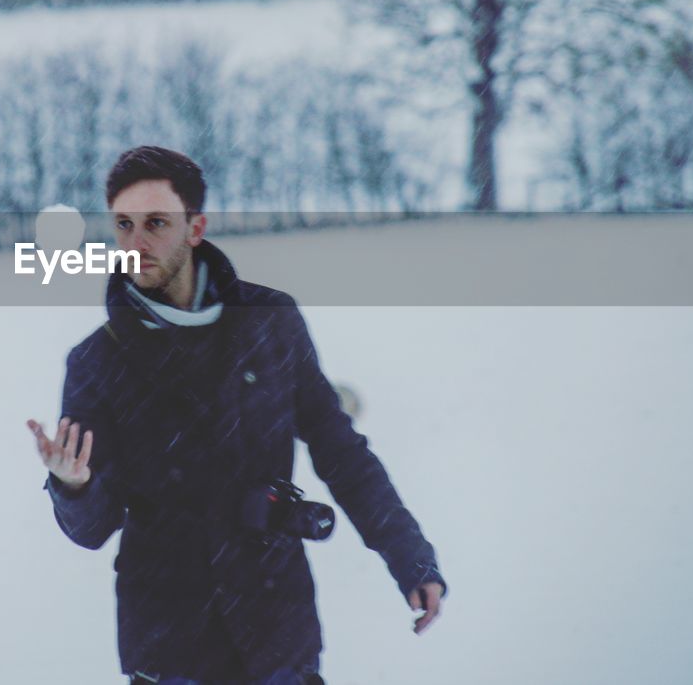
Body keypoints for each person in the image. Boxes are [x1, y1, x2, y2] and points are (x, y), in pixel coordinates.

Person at [26, 146, 447, 684]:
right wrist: (75, 486)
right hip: (169, 646)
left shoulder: (270, 322)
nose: (136, 242)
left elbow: (339, 449)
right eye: (124, 225)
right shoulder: (95, 360)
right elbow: (92, 529)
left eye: (157, 223)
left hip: (278, 626)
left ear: (196, 227)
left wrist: (409, 555)